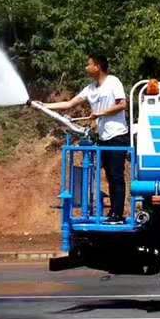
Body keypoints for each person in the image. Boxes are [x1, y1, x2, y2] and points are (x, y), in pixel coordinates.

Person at [43, 52, 129, 220]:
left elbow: (122, 104)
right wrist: (44, 105)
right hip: (103, 138)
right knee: (109, 175)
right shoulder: (90, 89)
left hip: (118, 135)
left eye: (89, 64)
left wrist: (99, 113)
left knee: (116, 175)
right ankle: (113, 212)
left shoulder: (113, 82)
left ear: (97, 66)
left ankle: (117, 214)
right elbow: (69, 104)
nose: (86, 67)